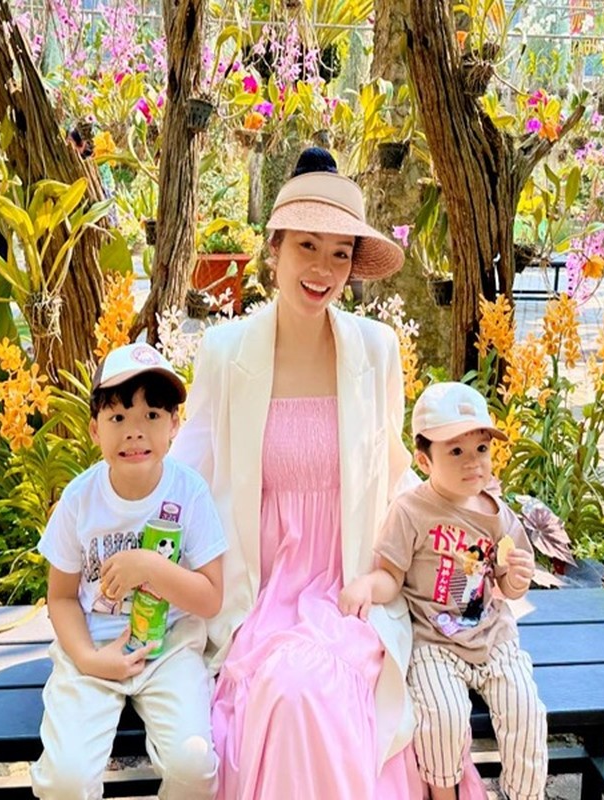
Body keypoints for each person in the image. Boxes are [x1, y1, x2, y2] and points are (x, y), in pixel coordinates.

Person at [170, 147, 423, 799]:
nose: (322, 269)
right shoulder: (226, 352)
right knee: (285, 689)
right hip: (261, 593)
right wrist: (119, 536)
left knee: (322, 691)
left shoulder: (376, 350)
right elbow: (186, 476)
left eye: (339, 253)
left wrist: (467, 527)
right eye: (307, 246)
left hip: (346, 590)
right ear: (274, 249)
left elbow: (394, 471)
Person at [31, 343, 226, 800]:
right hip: (95, 646)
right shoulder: (80, 499)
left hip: (169, 649)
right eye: (118, 417)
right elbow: (60, 596)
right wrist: (87, 658)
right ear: (94, 429)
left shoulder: (190, 493)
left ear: (175, 424)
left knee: (194, 764)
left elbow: (211, 597)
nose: (135, 432)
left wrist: (151, 567)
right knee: (65, 779)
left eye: (152, 415)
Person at [340, 382, 549, 800]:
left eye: (481, 448)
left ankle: (525, 795)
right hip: (435, 642)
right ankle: (444, 794)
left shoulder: (498, 515)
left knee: (526, 711)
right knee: (442, 717)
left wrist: (516, 578)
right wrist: (366, 585)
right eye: (455, 451)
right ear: (424, 459)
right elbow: (391, 576)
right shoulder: (411, 511)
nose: (473, 462)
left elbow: (507, 585)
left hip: (493, 637)